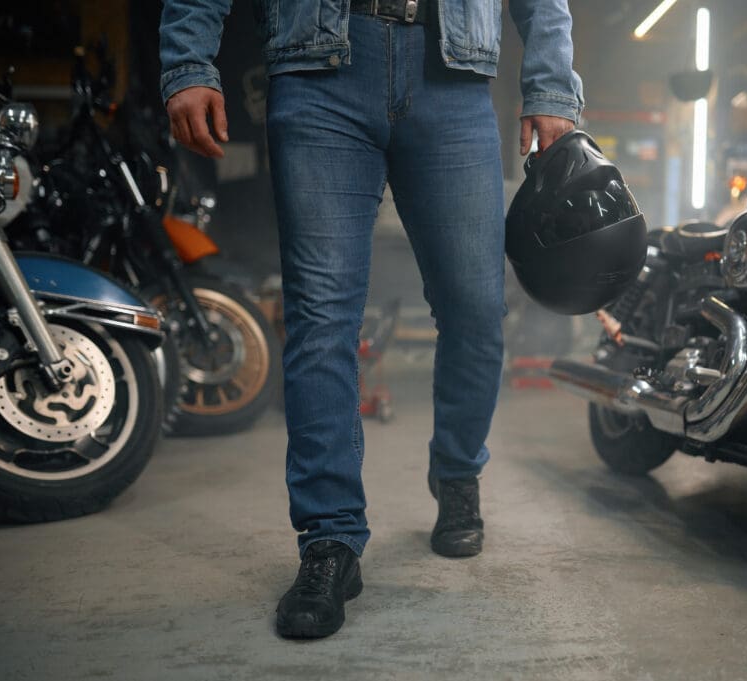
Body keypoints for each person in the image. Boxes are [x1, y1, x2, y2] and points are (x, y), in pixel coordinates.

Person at [159, 0, 583, 639]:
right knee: (321, 316)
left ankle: (458, 470)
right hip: (320, 72)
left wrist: (550, 83)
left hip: (452, 74)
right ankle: (329, 541)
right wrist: (189, 61)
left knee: (476, 308)